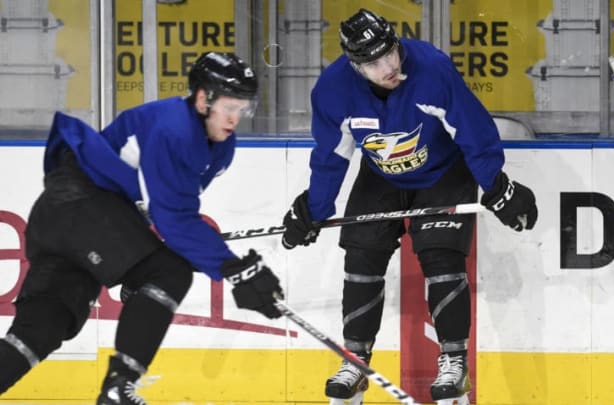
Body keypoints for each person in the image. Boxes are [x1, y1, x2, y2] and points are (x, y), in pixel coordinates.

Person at [280, 8, 538, 405]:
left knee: (441, 258)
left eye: (391, 53)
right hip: (380, 176)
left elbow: (472, 129)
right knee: (362, 255)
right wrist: (314, 209)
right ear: (354, 66)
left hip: (443, 172)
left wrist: (498, 186)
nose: (388, 66)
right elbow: (331, 156)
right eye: (374, 62)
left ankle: (453, 362)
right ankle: (355, 362)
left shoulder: (431, 69)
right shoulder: (333, 90)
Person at [0, 52, 284, 405]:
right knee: (169, 273)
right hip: (81, 204)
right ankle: (120, 387)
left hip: (64, 214)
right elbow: (173, 217)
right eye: (229, 107)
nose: (235, 118)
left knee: (42, 327)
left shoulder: (219, 147)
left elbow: (170, 211)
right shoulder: (174, 129)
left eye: (243, 108)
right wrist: (234, 268)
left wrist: (204, 255)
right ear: (202, 99)